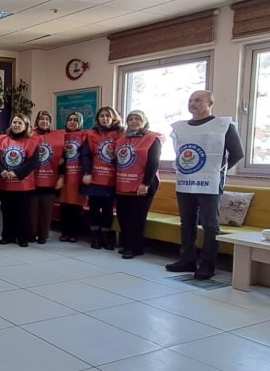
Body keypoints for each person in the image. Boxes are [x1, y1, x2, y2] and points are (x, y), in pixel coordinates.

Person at [166, 91, 244, 280]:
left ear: (210, 103)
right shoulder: (181, 127)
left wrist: (217, 171)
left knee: (210, 224)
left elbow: (237, 153)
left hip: (210, 183)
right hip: (185, 181)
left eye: (198, 100)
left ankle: (208, 265)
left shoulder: (223, 126)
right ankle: (187, 259)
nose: (193, 103)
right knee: (187, 222)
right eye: (190, 100)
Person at [115, 110, 162, 259]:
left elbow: (153, 162)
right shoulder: (122, 139)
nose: (134, 121)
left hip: (143, 184)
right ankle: (131, 245)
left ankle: (132, 248)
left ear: (144, 121)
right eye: (130, 119)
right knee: (123, 216)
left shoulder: (152, 138)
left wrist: (145, 183)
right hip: (123, 183)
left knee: (137, 218)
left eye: (137, 119)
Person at [0, 114, 39, 247]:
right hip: (6, 184)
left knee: (23, 212)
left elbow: (33, 162)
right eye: (14, 122)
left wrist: (16, 173)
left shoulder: (32, 141)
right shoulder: (1, 139)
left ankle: (22, 237)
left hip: (24, 185)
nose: (16, 125)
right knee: (7, 210)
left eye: (20, 123)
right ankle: (8, 236)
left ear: (26, 126)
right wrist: (2, 171)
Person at [80, 107, 123, 250]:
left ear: (114, 118)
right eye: (102, 116)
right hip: (94, 178)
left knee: (108, 209)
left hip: (112, 179)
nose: (105, 118)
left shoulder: (121, 134)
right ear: (98, 119)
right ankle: (95, 237)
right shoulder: (91, 134)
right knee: (94, 208)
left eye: (107, 116)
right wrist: (86, 172)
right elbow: (85, 155)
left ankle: (105, 236)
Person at [31, 110, 64, 244]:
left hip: (50, 180)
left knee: (46, 210)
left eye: (47, 119)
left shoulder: (58, 136)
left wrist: (61, 176)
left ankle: (43, 236)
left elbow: (63, 158)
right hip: (32, 180)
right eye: (42, 119)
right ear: (37, 121)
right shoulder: (29, 134)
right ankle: (31, 234)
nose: (44, 121)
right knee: (32, 210)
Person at [58, 112, 87, 243]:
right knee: (64, 206)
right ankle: (65, 232)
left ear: (80, 122)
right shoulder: (60, 136)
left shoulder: (85, 136)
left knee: (76, 206)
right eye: (70, 119)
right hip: (64, 176)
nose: (72, 122)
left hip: (78, 176)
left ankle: (74, 233)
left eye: (76, 120)